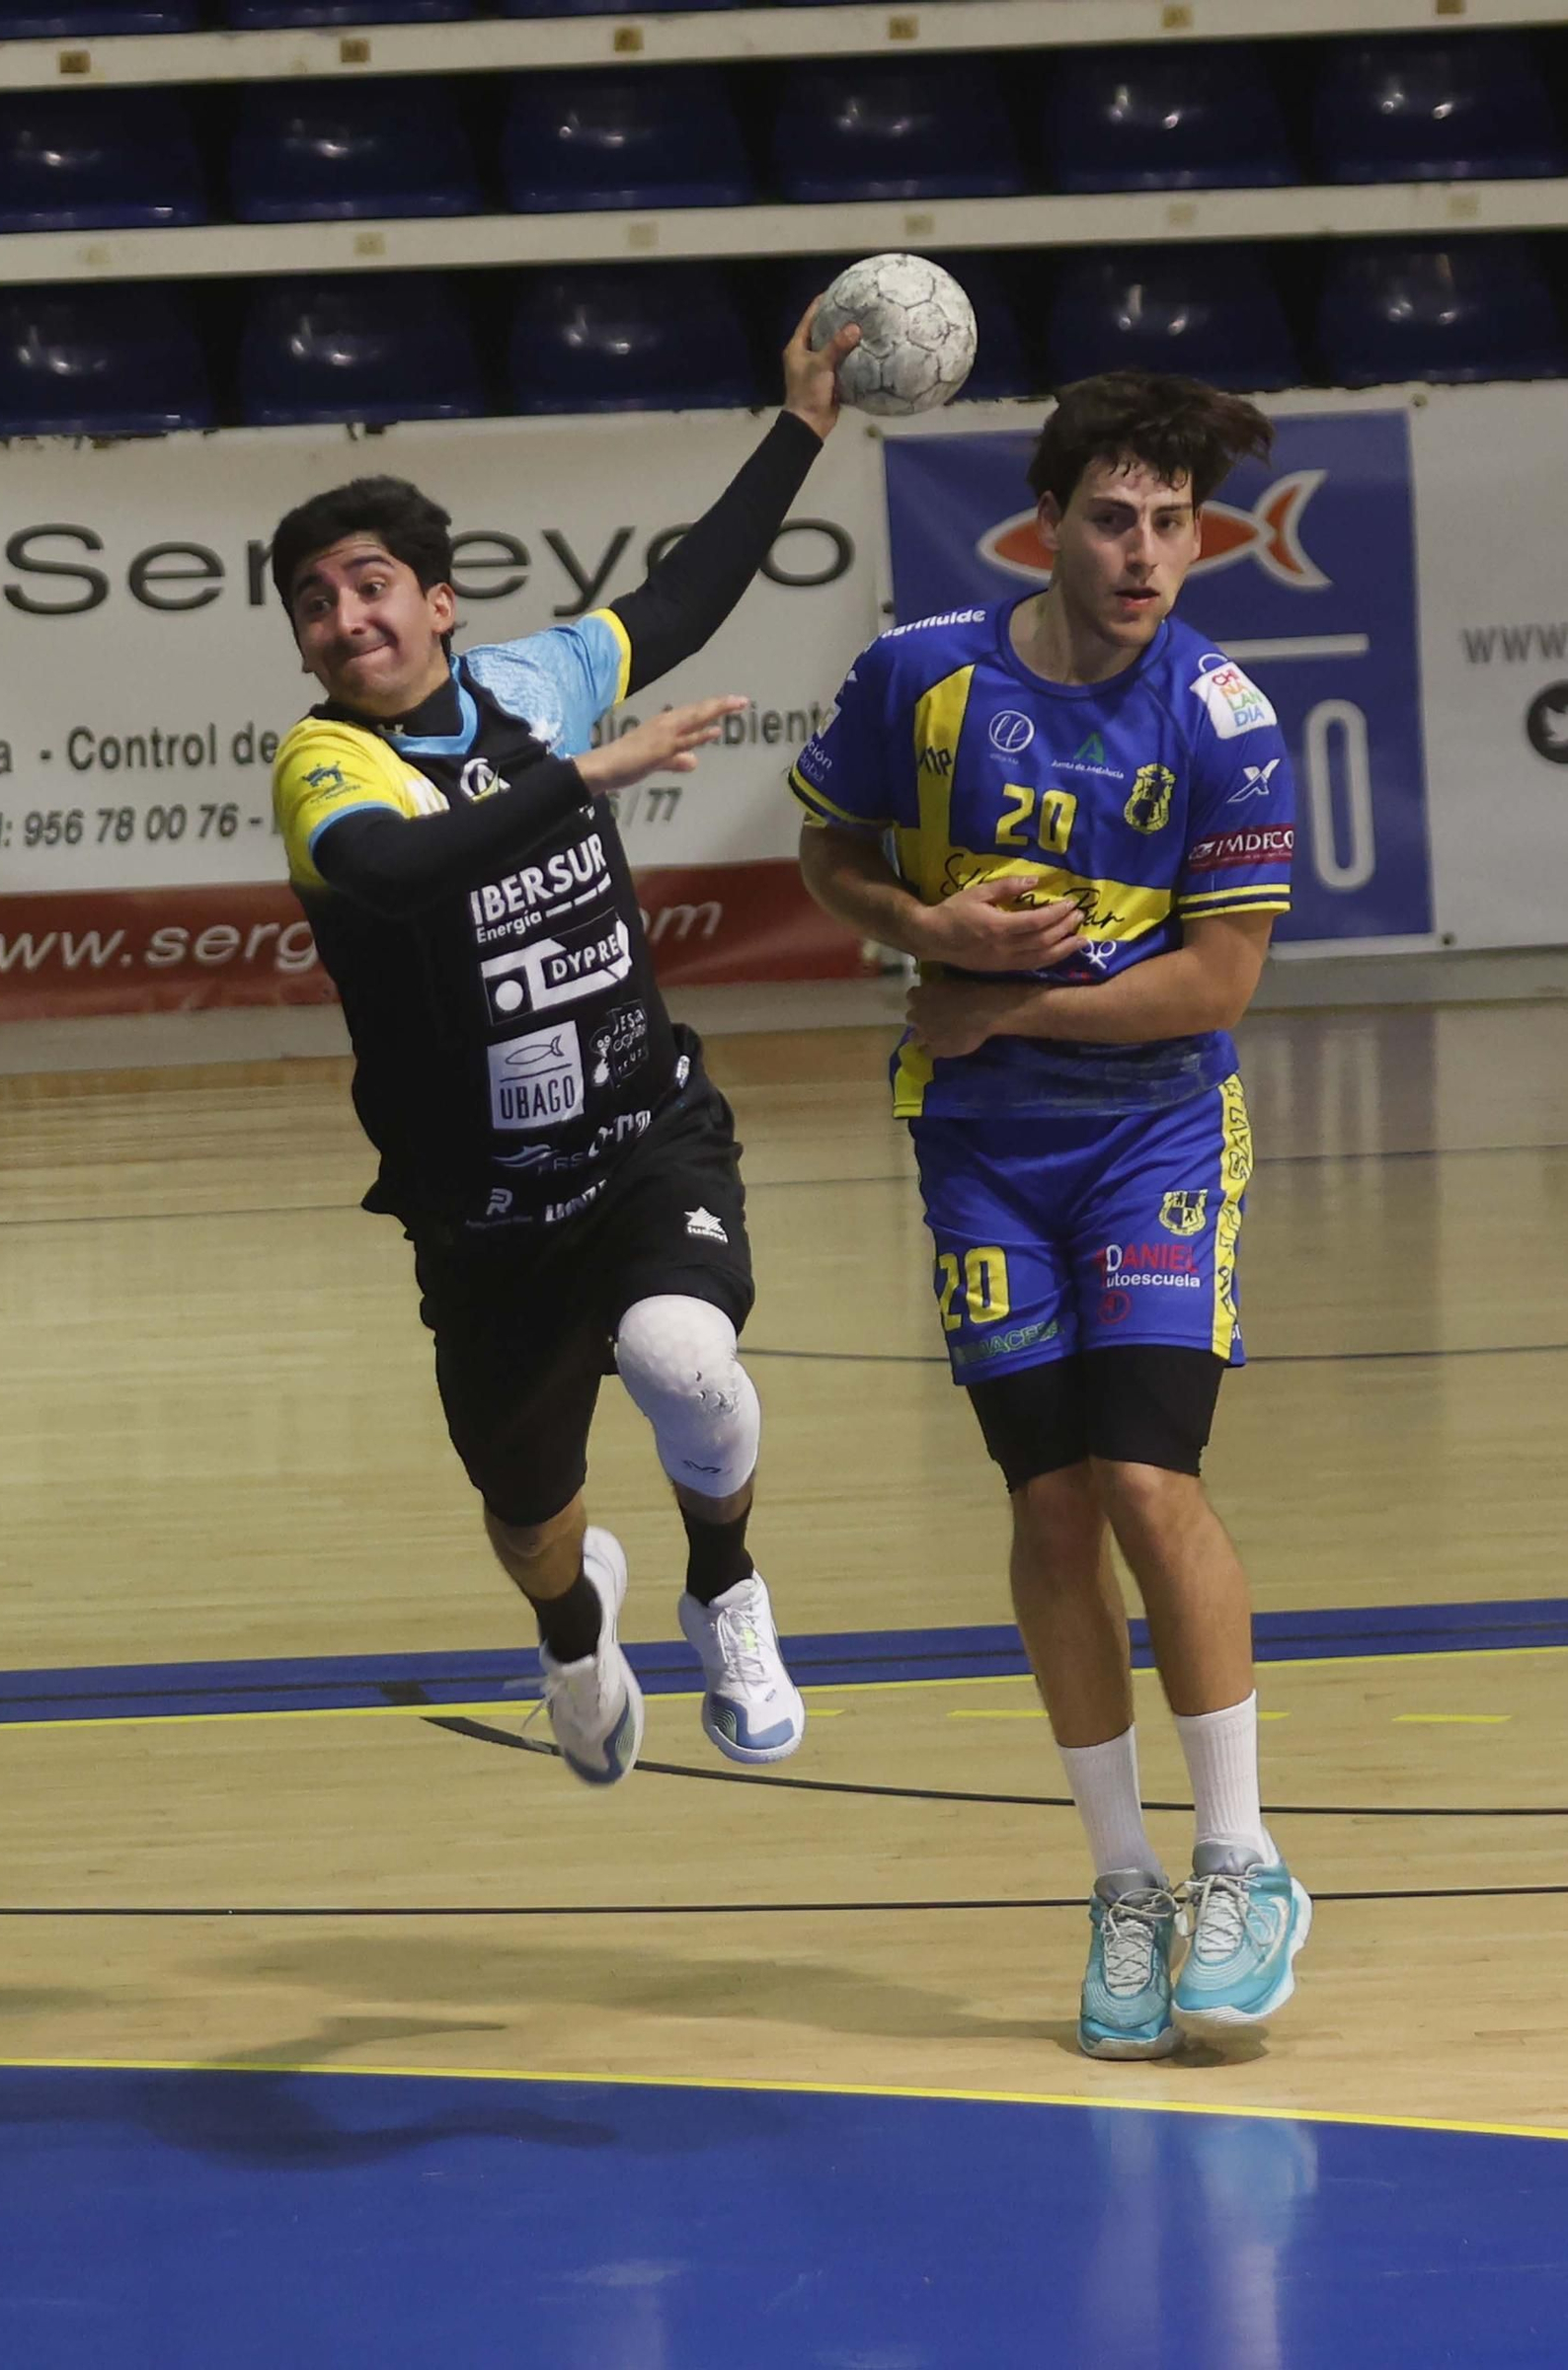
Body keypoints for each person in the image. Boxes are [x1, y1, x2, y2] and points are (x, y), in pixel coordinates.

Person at [267, 304, 857, 1789]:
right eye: (318, 605)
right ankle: (572, 1620)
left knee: (682, 1352)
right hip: (484, 1213)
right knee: (530, 1516)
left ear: (443, 602)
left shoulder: (536, 683)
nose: (349, 619)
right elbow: (396, 873)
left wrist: (802, 424)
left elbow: (689, 593)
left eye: (374, 586)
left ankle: (725, 1586)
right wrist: (593, 777)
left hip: (644, 1134)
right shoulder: (324, 762)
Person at [792, 369, 1310, 2057]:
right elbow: (832, 855)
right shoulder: (921, 674)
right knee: (1052, 1509)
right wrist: (927, 923)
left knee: (1155, 1482)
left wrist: (995, 1001)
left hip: (1154, 1132)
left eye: (1174, 520)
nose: (1148, 549)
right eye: (1115, 517)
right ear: (1047, 522)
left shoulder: (1224, 714)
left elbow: (1215, 982)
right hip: (984, 1153)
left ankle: (1241, 1858)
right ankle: (1124, 1886)